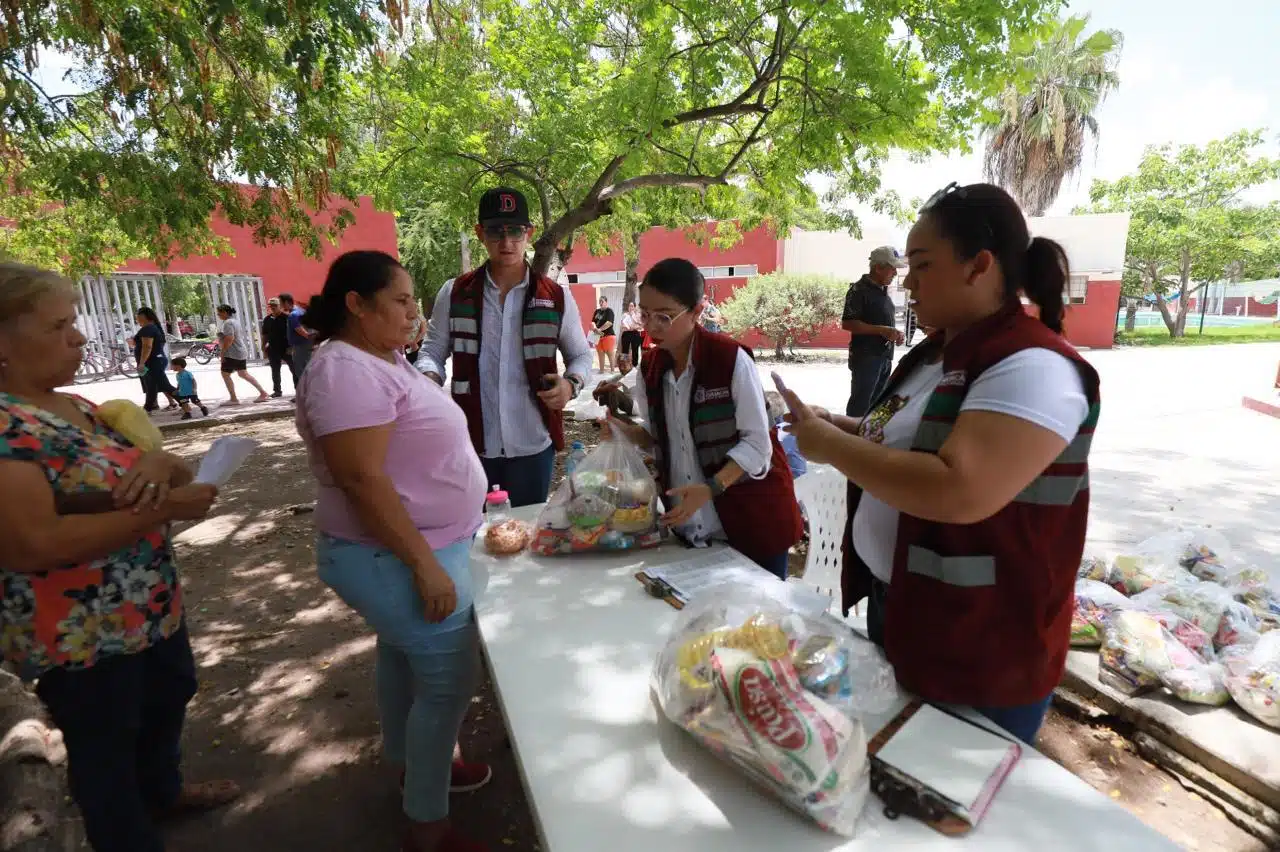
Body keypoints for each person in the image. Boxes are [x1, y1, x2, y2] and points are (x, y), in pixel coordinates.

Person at [781, 183, 1100, 744]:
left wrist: (830, 448)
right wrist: (840, 426)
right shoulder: (936, 353)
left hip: (982, 644)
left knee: (945, 810)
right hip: (905, 613)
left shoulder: (1031, 365)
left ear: (979, 265)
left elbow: (958, 487)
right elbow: (906, 445)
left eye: (922, 265)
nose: (907, 282)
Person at [0, 261, 239, 852]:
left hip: (147, 607)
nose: (77, 338)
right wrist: (158, 509)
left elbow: (161, 473)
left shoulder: (77, 404)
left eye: (73, 322)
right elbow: (32, 544)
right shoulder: (9, 424)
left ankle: (163, 792)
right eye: (58, 326)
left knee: (168, 695)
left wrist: (158, 465)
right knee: (104, 752)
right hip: (79, 634)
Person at [295, 250, 492, 852]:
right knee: (448, 683)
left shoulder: (379, 358)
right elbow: (362, 481)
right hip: (394, 555)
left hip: (416, 548)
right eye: (402, 300)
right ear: (357, 304)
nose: (415, 313)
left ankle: (413, 767)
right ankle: (427, 827)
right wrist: (424, 565)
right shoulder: (344, 370)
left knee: (404, 659)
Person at [603, 258, 803, 580]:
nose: (652, 326)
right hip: (691, 526)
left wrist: (711, 487)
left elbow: (757, 445)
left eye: (665, 316)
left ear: (696, 312)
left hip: (751, 522)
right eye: (645, 314)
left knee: (757, 623)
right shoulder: (651, 369)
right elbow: (660, 438)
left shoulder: (729, 360)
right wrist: (624, 433)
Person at [418, 187, 592, 507]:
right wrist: (428, 378)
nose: (507, 241)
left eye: (515, 231)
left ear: (529, 233)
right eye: (496, 231)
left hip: (533, 444)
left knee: (525, 537)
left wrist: (571, 384)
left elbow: (580, 355)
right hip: (471, 442)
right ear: (480, 233)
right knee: (475, 537)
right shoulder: (455, 293)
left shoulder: (554, 296)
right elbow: (431, 350)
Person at [843, 246, 906, 417]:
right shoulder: (858, 290)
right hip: (866, 357)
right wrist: (881, 330)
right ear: (878, 267)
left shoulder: (883, 292)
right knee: (860, 405)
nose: (894, 273)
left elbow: (882, 323)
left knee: (876, 405)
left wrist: (895, 334)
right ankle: (851, 440)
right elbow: (847, 323)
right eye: (892, 269)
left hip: (884, 357)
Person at [216, 304, 269, 404]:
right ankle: (263, 393)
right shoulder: (234, 321)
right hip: (240, 351)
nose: (218, 315)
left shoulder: (227, 323)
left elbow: (230, 339)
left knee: (225, 374)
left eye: (219, 312)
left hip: (232, 353)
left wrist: (222, 352)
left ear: (225, 312)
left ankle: (233, 399)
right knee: (243, 374)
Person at [133, 306, 178, 412]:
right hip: (155, 361)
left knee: (164, 386)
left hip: (152, 362)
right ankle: (148, 408)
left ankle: (185, 401)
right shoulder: (153, 328)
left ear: (144, 317)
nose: (137, 319)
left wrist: (142, 363)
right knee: (151, 387)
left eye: (138, 317)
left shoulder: (148, 329)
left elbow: (147, 347)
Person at [764, 391, 807, 479]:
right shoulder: (782, 426)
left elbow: (772, 458)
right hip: (786, 472)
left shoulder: (783, 431)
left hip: (794, 476)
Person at [260, 297, 294, 397]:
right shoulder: (267, 319)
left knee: (294, 369)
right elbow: (265, 334)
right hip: (273, 348)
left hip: (287, 348)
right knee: (275, 370)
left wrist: (293, 347)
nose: (273, 308)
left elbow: (294, 332)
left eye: (275, 305)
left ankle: (298, 390)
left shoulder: (287, 317)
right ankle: (277, 391)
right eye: (271, 306)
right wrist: (263, 347)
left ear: (280, 306)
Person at [592, 351, 637, 418]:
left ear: (630, 364)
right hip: (629, 405)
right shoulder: (622, 375)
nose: (621, 368)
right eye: (620, 365)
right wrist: (598, 390)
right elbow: (603, 382)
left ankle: (613, 415)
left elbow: (614, 386)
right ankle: (609, 413)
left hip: (636, 407)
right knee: (606, 390)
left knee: (612, 390)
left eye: (624, 365)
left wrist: (596, 391)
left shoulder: (633, 374)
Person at [280, 292, 315, 375]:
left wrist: (308, 337)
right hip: (306, 344)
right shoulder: (300, 310)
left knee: (301, 371)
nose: (280, 306)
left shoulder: (293, 315)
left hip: (301, 345)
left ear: (286, 302)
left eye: (281, 303)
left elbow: (300, 330)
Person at [591, 295, 616, 372]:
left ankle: (612, 370)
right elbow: (593, 322)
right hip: (597, 335)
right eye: (600, 301)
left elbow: (609, 323)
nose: (600, 303)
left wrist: (599, 329)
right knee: (600, 353)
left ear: (606, 302)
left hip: (608, 335)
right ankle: (601, 370)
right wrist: (594, 328)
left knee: (610, 353)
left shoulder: (609, 311)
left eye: (602, 301)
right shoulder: (597, 311)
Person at [619, 299, 643, 366]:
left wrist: (632, 315)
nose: (630, 307)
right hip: (626, 333)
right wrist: (625, 327)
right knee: (625, 351)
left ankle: (635, 365)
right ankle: (625, 365)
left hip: (635, 333)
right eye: (629, 306)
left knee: (635, 350)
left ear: (635, 307)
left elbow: (640, 325)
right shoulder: (625, 315)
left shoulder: (638, 315)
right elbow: (622, 325)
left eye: (632, 306)